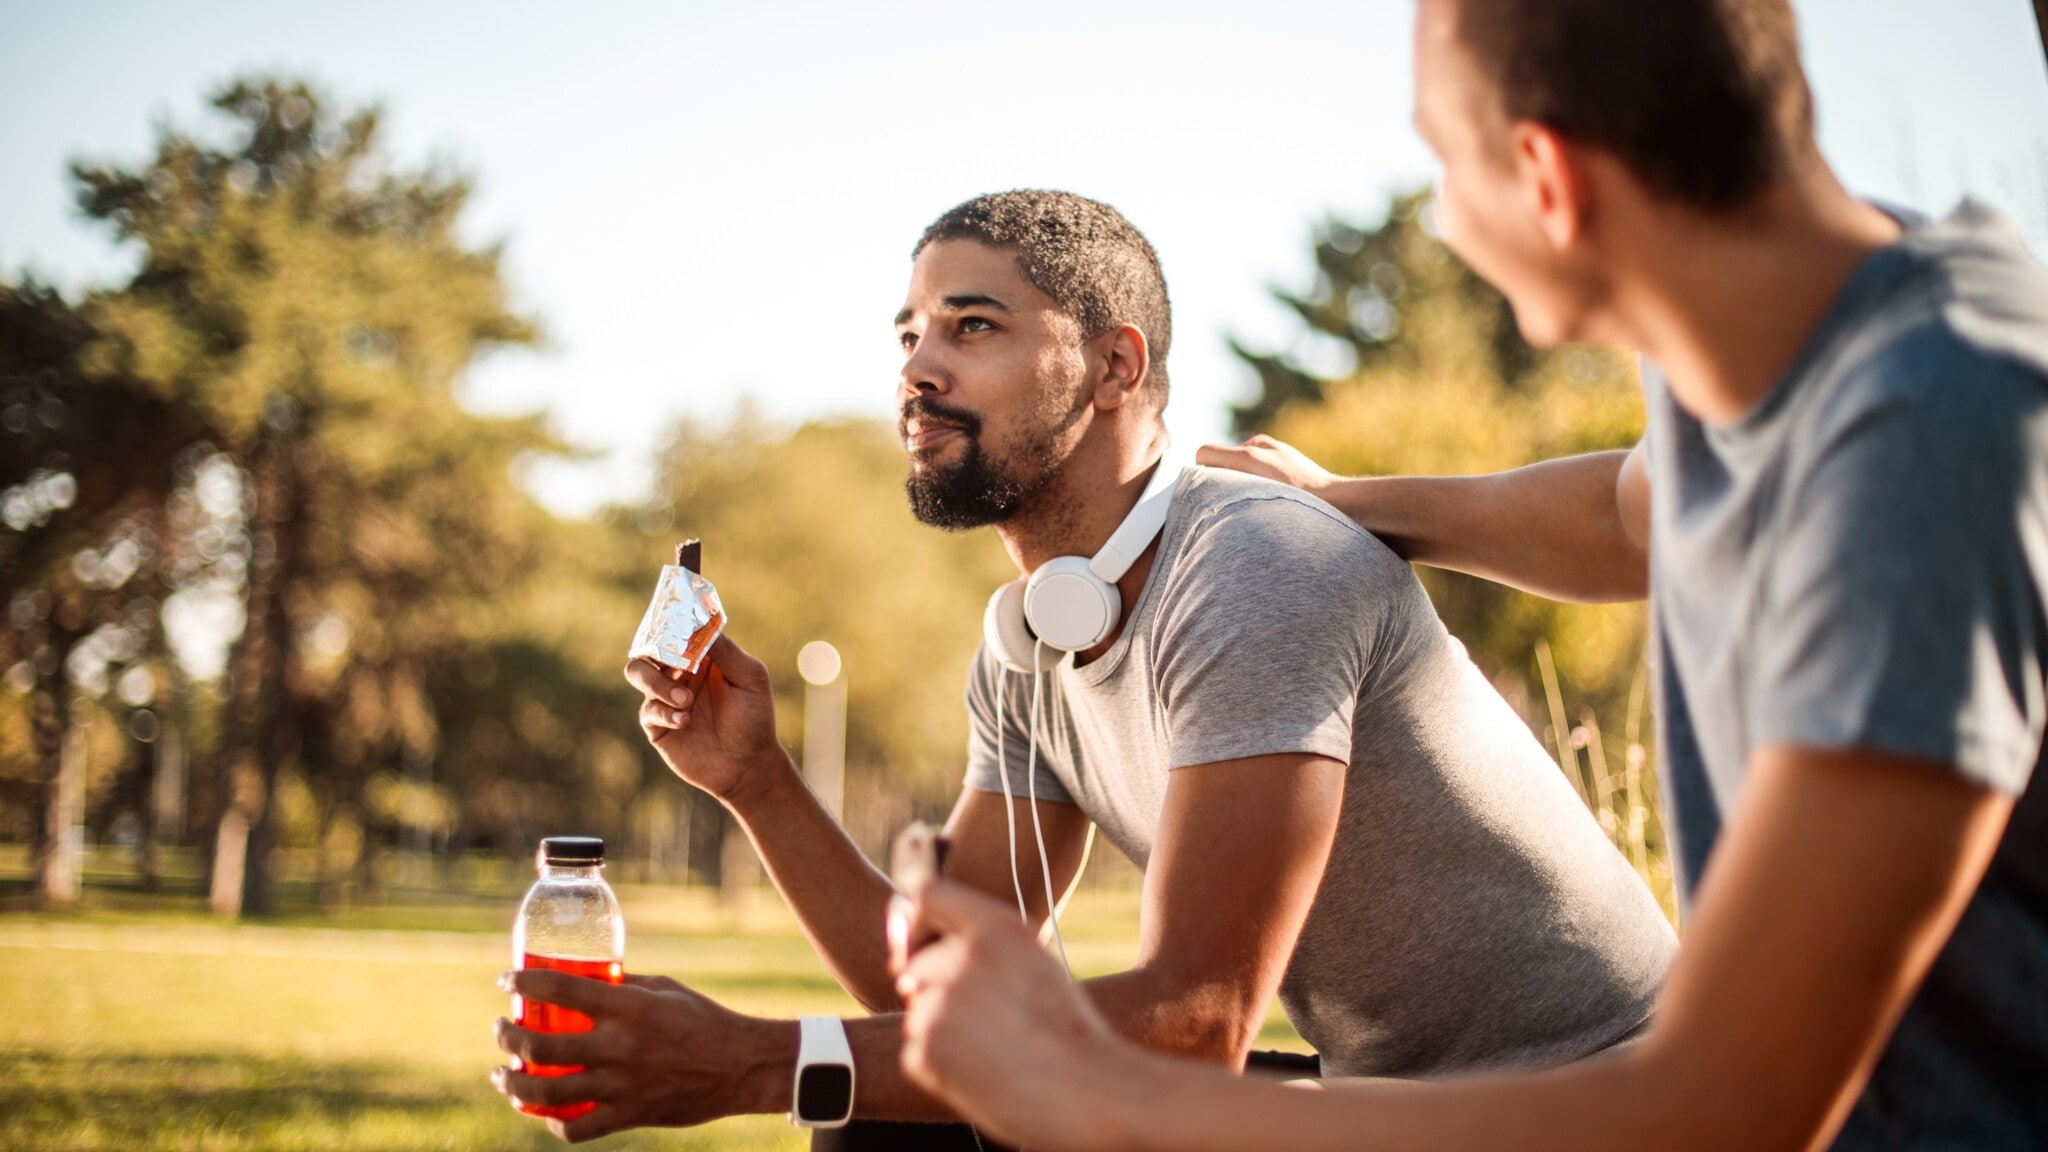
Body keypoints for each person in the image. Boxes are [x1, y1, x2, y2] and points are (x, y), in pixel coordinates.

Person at [886, 2, 2048, 1150]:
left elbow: (1730, 1106)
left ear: (1546, 176)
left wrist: (1105, 1097)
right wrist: (1354, 506)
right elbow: (1623, 512)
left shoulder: (1924, 437)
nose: (1441, 216)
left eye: (1445, 160)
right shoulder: (1785, 332)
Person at [489, 190, 1677, 1147]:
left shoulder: (1252, 564)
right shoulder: (1029, 641)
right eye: (906, 336)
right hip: (1392, 1100)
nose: (916, 370)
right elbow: (931, 992)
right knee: (898, 1109)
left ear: (1117, 367)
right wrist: (755, 782)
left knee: (867, 1107)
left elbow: (1191, 1022)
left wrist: (756, 1058)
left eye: (970, 327)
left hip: (1593, 1106)